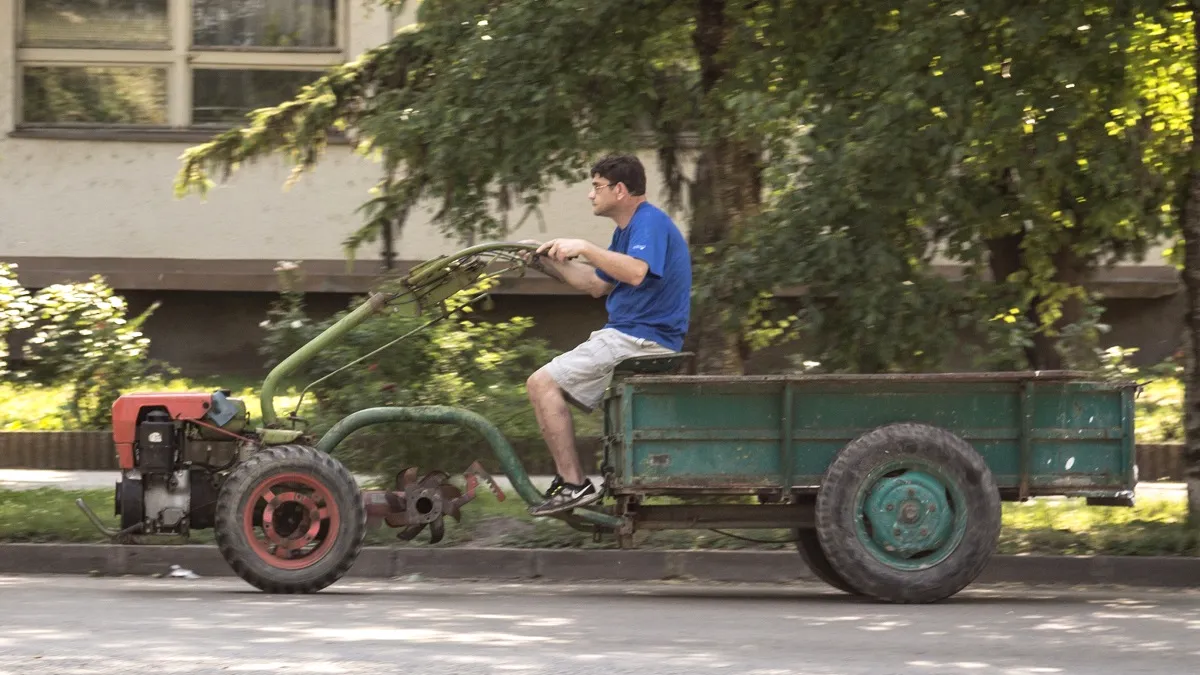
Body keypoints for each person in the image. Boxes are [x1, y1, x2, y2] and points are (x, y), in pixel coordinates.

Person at [521, 154, 692, 516]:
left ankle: (573, 486)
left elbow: (634, 273)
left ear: (620, 189)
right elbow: (595, 284)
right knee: (542, 385)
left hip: (640, 339)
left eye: (596, 186)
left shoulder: (649, 223)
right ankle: (573, 483)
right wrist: (544, 261)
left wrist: (583, 246)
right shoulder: (626, 231)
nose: (590, 195)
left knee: (541, 384)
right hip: (627, 335)